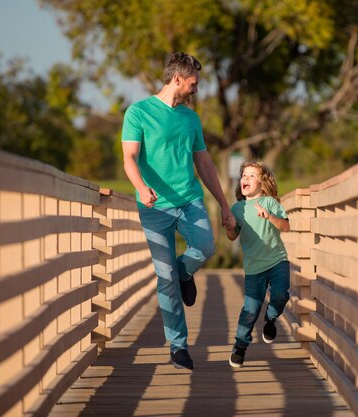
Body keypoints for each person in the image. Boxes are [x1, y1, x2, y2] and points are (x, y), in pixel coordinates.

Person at [121, 52, 234, 371]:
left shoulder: (190, 119)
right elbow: (129, 157)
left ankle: (186, 271)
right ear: (177, 80)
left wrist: (225, 205)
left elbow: (205, 163)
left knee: (206, 246)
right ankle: (178, 346)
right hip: (154, 206)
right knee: (165, 278)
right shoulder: (139, 112)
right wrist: (142, 188)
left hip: (189, 200)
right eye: (194, 84)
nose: (197, 89)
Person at [224, 161, 290, 368]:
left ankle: (270, 318)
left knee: (280, 294)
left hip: (277, 260)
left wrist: (269, 216)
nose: (246, 178)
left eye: (252, 175)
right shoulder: (237, 208)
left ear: (263, 183)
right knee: (250, 310)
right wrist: (229, 226)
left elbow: (286, 226)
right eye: (244, 175)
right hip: (254, 269)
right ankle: (240, 346)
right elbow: (232, 236)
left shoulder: (270, 203)